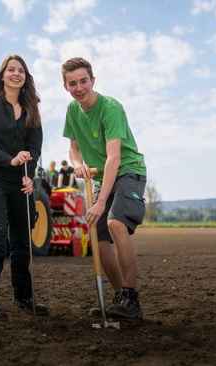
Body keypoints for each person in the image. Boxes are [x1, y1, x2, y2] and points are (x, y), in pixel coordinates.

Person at [62, 57, 147, 320]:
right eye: (72, 83)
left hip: (128, 171)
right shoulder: (72, 111)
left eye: (83, 81)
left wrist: (100, 203)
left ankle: (132, 299)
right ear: (66, 86)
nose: (79, 88)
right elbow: (74, 147)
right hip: (102, 177)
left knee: (115, 224)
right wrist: (78, 165)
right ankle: (120, 296)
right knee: (98, 239)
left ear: (93, 80)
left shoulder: (110, 107)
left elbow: (114, 158)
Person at [0, 54, 48, 320]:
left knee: (22, 241)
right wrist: (10, 160)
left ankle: (24, 297)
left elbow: (35, 148)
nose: (16, 74)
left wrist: (29, 175)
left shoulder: (31, 110)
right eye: (11, 69)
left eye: (21, 71)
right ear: (2, 75)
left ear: (26, 77)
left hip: (20, 181)